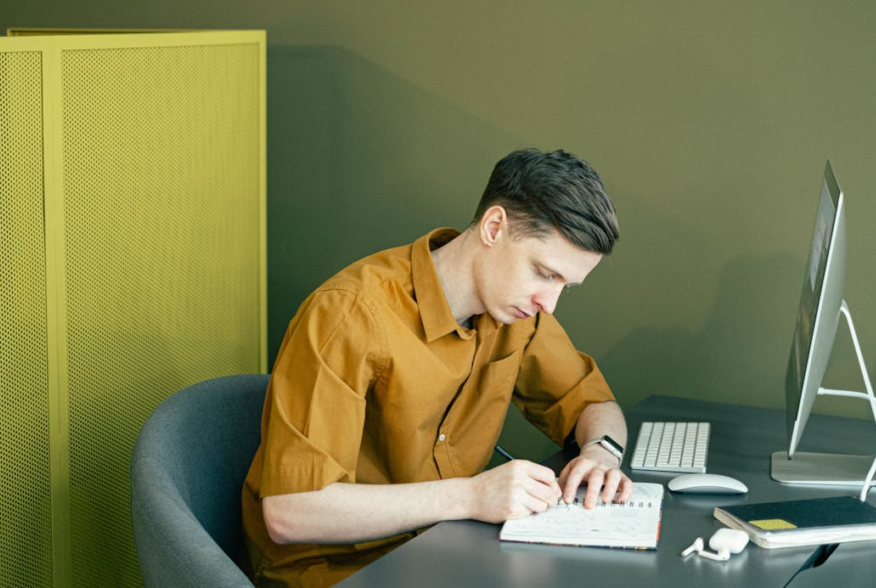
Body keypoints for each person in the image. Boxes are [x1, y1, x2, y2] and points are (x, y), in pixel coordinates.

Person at [242, 148, 632, 588]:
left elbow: (593, 402)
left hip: (442, 548)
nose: (550, 302)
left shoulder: (519, 315)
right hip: (334, 571)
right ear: (494, 227)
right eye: (544, 273)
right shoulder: (349, 314)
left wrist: (600, 452)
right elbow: (291, 512)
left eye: (566, 285)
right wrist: (472, 496)